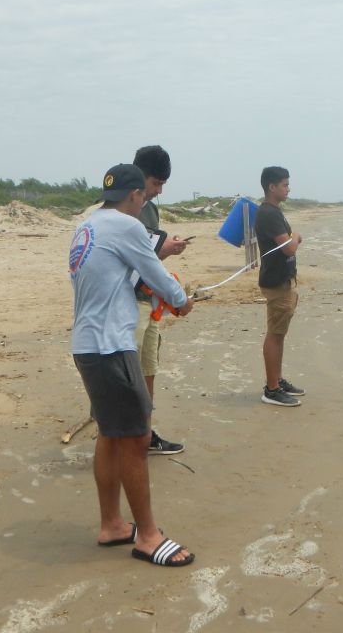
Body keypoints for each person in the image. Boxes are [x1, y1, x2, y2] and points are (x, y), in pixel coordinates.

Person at [69, 163, 196, 567]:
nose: (145, 201)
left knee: (110, 433)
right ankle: (148, 536)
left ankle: (111, 525)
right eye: (144, 195)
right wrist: (181, 300)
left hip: (88, 344)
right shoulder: (126, 226)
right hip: (110, 348)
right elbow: (156, 272)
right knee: (137, 438)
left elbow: (116, 276)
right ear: (136, 196)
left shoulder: (87, 226)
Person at [132, 145, 189, 455]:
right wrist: (162, 250)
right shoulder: (123, 207)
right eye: (155, 184)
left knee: (149, 368)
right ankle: (118, 439)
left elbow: (151, 249)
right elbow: (134, 255)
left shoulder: (150, 207)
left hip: (149, 302)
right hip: (129, 305)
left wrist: (167, 247)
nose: (159, 191)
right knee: (128, 374)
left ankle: (145, 433)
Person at [254, 166, 305, 407]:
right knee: (275, 334)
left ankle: (277, 379)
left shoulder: (274, 211)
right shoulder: (269, 213)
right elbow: (289, 248)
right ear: (271, 187)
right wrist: (296, 236)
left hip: (282, 280)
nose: (288, 188)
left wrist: (292, 237)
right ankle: (272, 389)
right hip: (276, 283)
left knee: (279, 333)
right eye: (284, 184)